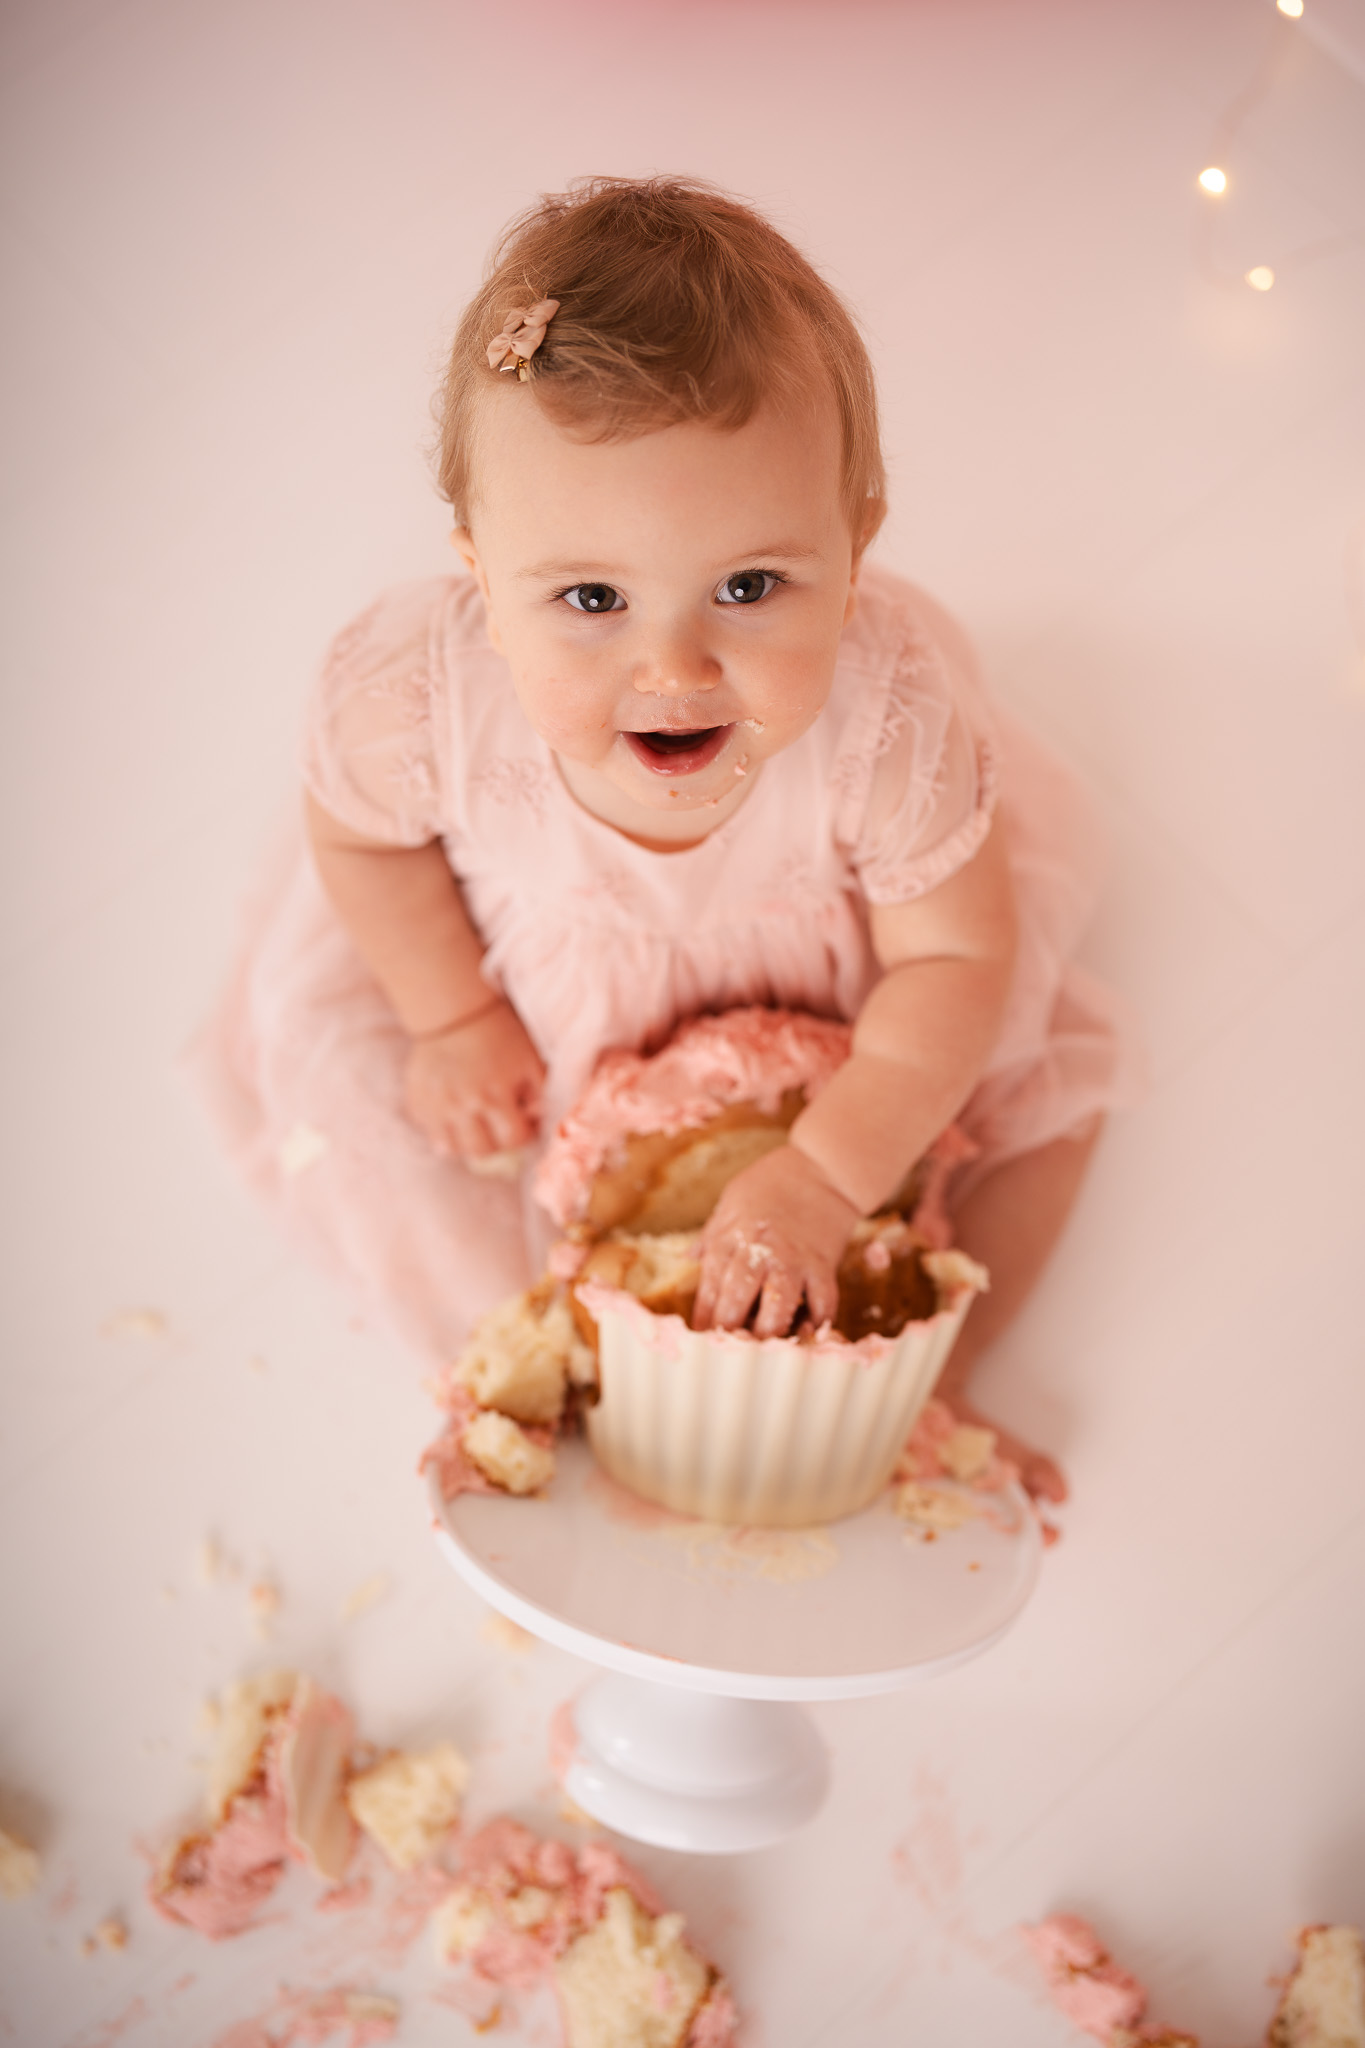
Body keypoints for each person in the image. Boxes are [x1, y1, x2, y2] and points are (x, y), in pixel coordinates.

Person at [200, 176, 1136, 1502]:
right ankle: (538, 1366)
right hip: (547, 1032)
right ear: (478, 568)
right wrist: (450, 1016)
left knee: (1038, 1118)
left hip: (836, 1027)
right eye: (589, 597)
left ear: (854, 546)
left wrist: (827, 1171)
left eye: (751, 587)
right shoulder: (419, 700)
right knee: (395, 1147)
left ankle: (923, 1379)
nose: (674, 667)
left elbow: (952, 964)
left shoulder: (883, 721)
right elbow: (360, 843)